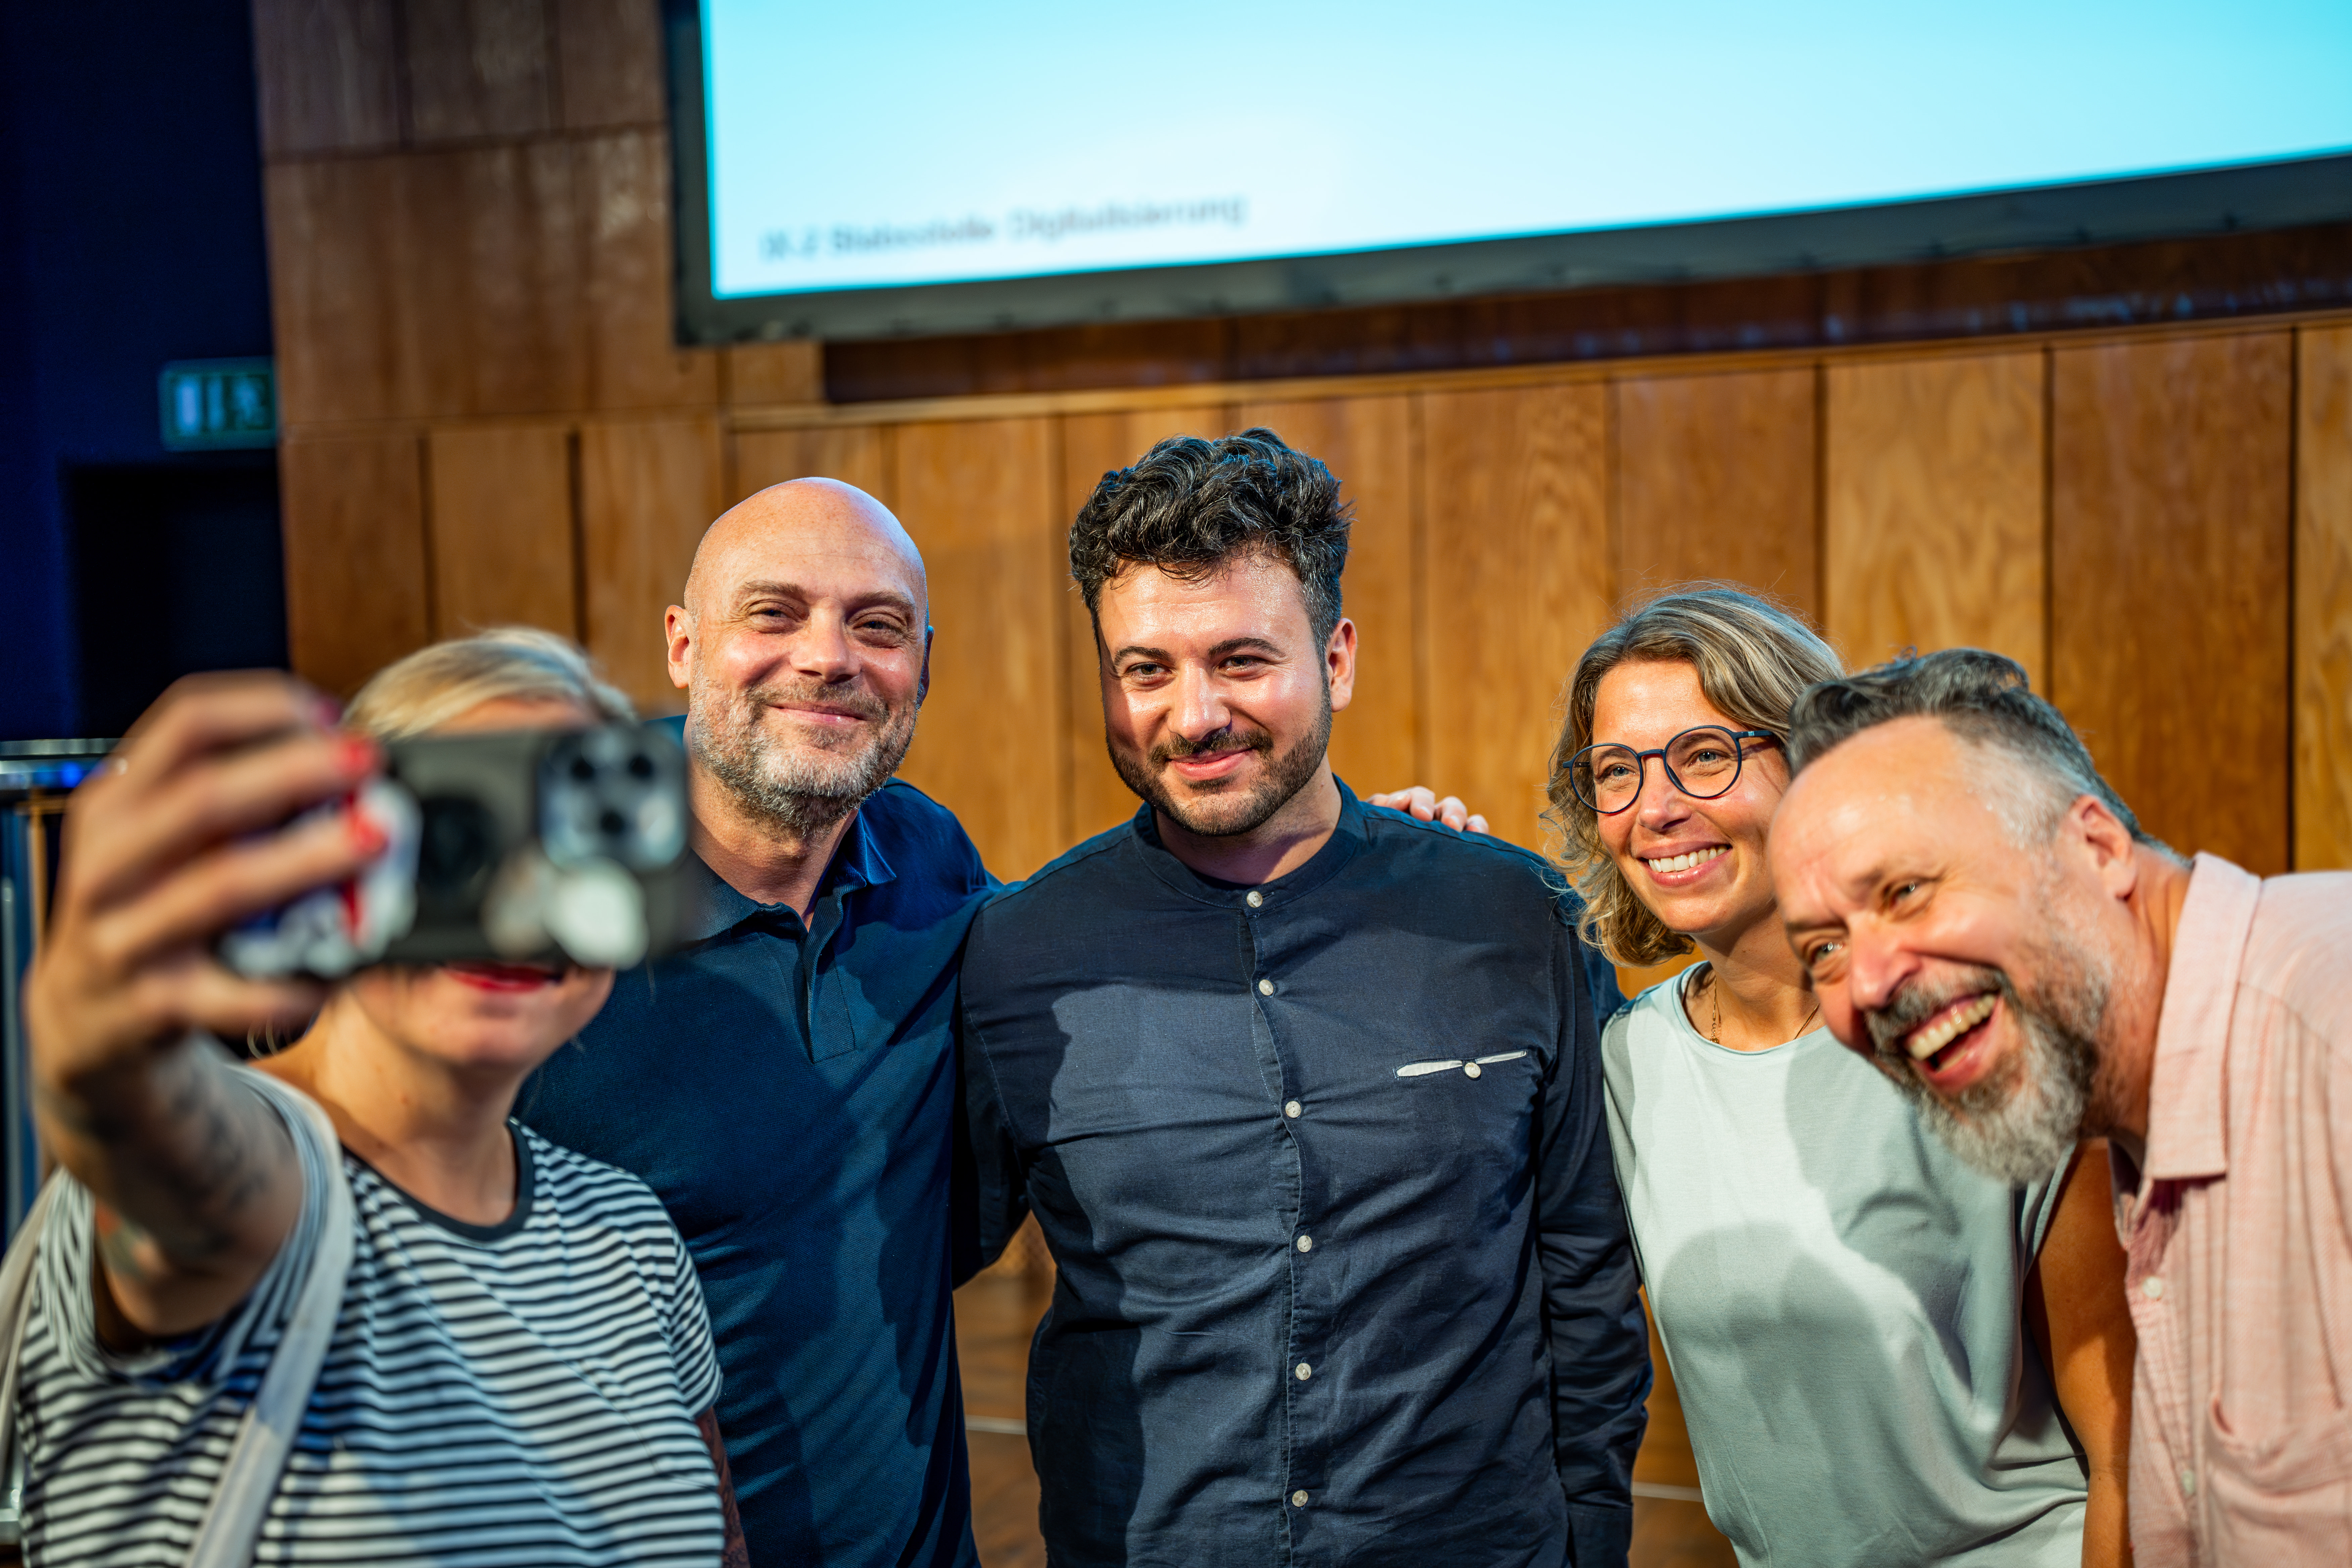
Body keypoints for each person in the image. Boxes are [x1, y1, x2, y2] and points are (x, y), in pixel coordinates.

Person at [517, 476, 1481, 1567]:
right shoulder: (529, 890)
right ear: (686, 645)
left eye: (876, 626)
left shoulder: (929, 865)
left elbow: (1126, 952)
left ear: (923, 664)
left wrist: (1368, 865)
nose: (829, 657)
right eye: (774, 613)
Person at [957, 430, 1649, 1568]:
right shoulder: (1019, 955)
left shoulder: (1514, 920)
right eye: (1147, 670)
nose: (1192, 716)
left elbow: (1587, 1278)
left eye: (1241, 660)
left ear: (1338, 657)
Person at [18, 629, 744, 1567]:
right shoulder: (260, 1178)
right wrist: (106, 1056)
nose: (513, 902)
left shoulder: (631, 1236)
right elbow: (167, 1170)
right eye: (450, 845)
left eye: (572, 841)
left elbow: (717, 1542)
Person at [1550, 592, 2135, 1567]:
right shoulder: (1624, 1063)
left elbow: (2126, 1447)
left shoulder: (1969, 1030)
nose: (1656, 810)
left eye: (1705, 755)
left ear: (1814, 762)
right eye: (1617, 772)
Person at [1770, 647, 2352, 1566]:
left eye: (1907, 890)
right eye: (1824, 950)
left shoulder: (2331, 1019)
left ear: (2097, 847)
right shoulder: (2133, 1129)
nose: (1871, 983)